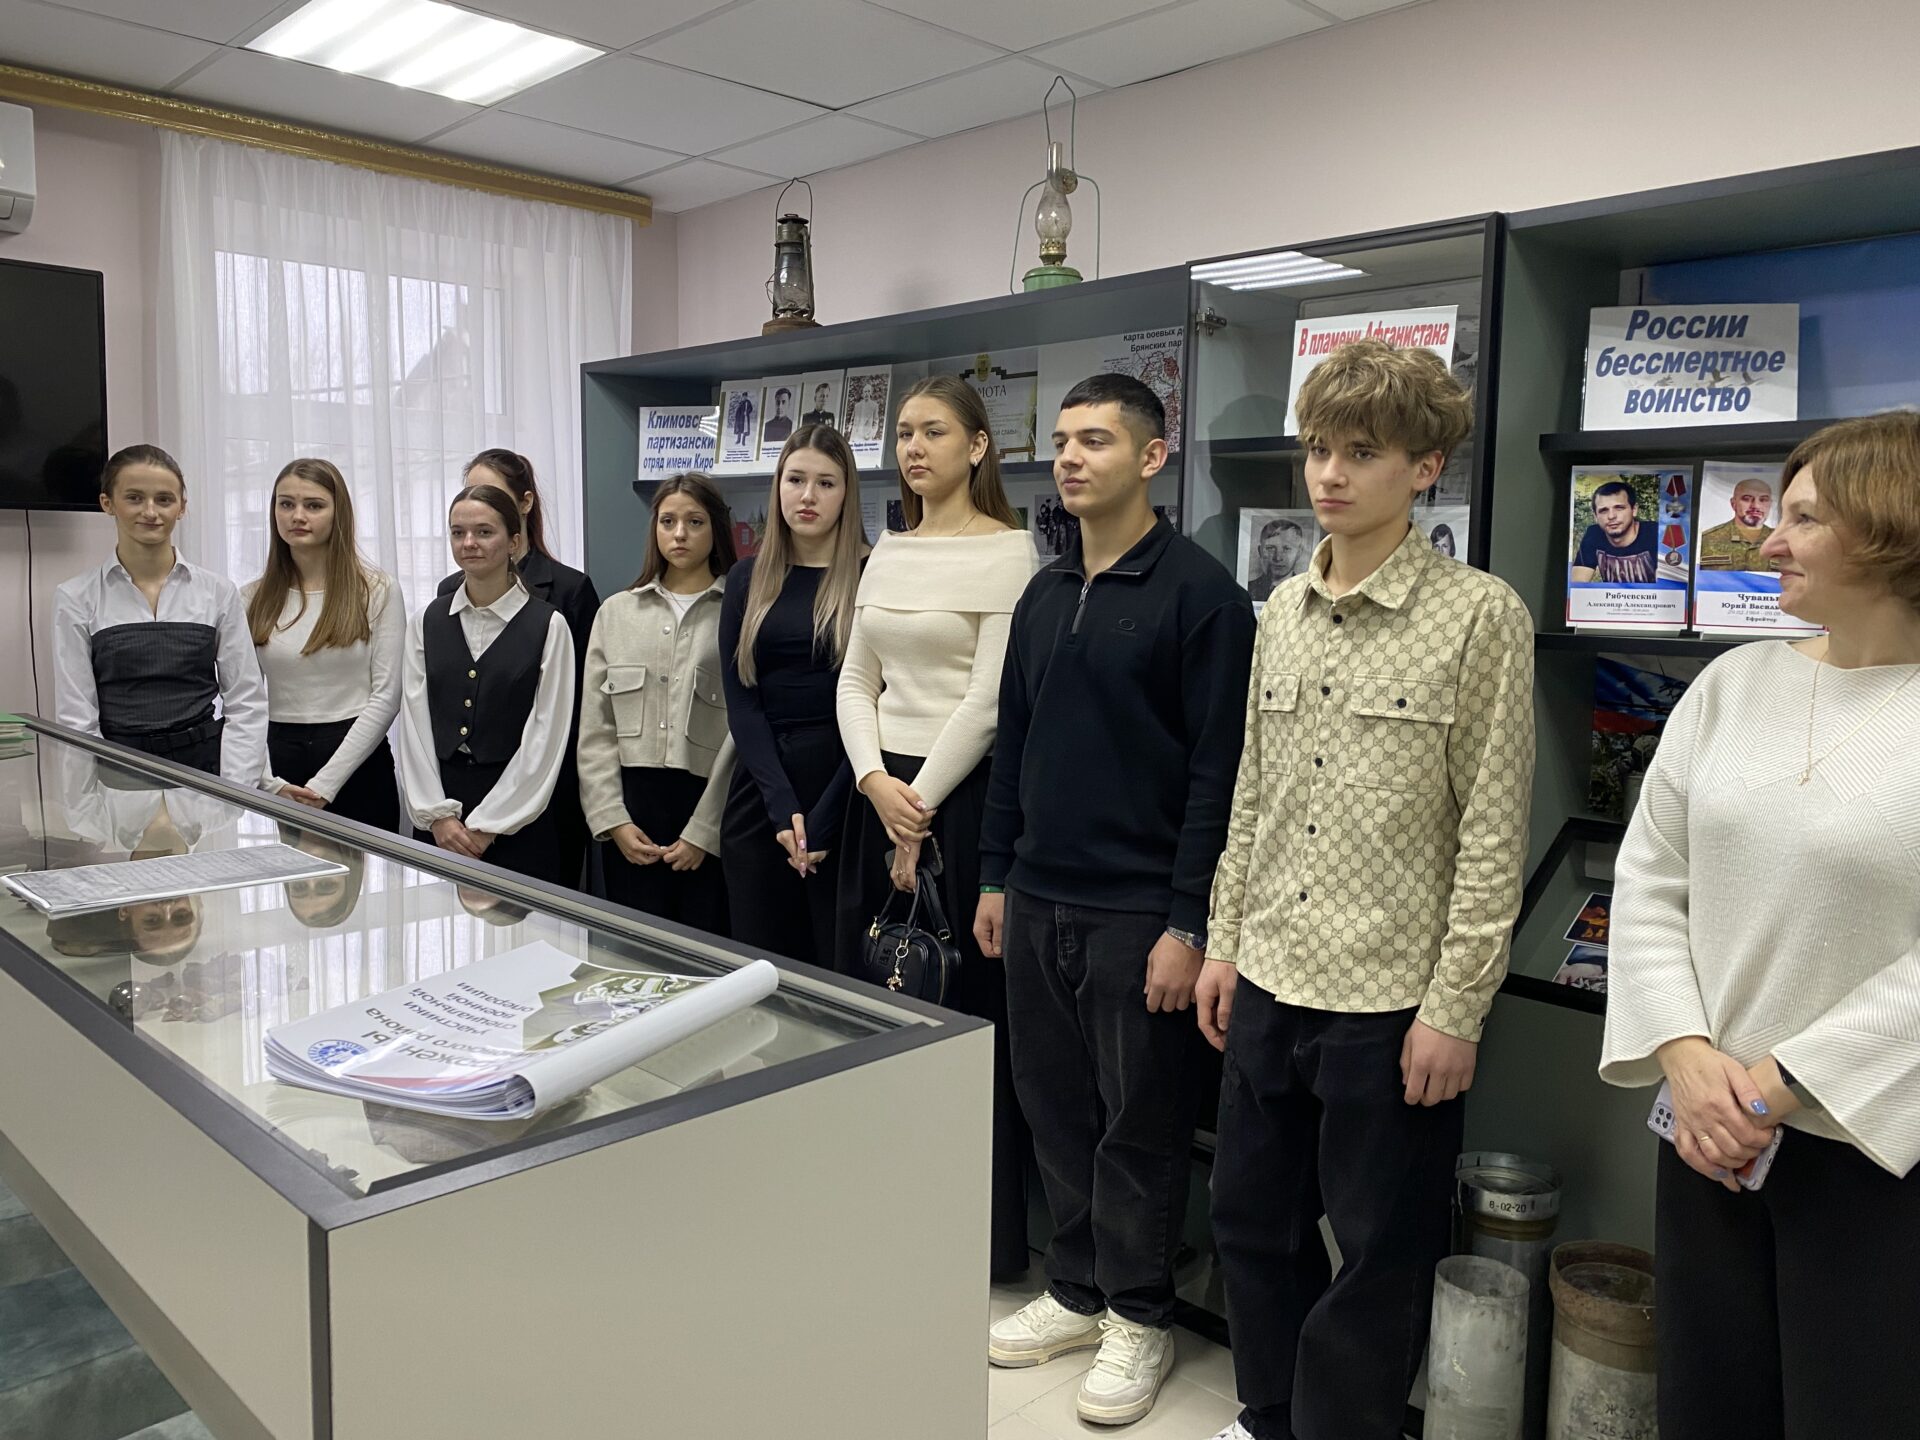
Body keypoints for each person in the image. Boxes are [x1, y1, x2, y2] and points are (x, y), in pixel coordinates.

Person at [1199, 339, 1535, 1440]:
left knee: (1379, 1250)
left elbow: (1493, 828)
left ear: (1425, 467)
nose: (1330, 475)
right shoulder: (1281, 611)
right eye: (1317, 450)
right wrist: (1222, 943)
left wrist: (1457, 1009)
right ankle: (1271, 1415)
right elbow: (1252, 793)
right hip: (1269, 973)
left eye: (1362, 453)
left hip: (1390, 999)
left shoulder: (1479, 615)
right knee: (1250, 1222)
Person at [1599, 413, 1920, 1440]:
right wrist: (1686, 1058)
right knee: (1708, 1400)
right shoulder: (1731, 687)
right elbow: (1651, 878)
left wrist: (1779, 1084)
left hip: (1876, 1151)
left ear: (1892, 529)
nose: (1769, 542)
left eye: (1805, 519)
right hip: (1707, 1137)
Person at [978, 375, 1255, 1425]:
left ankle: (1141, 1315)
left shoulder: (1200, 596)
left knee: (1139, 1122)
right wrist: (996, 874)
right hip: (1037, 894)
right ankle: (1077, 1289)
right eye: (1061, 440)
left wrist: (1189, 922)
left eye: (1095, 440)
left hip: (1141, 912)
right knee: (1054, 1106)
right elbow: (1013, 743)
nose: (1070, 457)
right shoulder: (1045, 593)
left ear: (1150, 457)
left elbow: (1219, 777)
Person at [835, 372, 1039, 1278]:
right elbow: (856, 680)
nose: (914, 448)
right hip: (876, 798)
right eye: (905, 433)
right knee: (875, 1007)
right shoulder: (890, 548)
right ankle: (885, 1211)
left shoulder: (1010, 553)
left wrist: (915, 810)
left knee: (959, 1018)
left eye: (935, 432)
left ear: (978, 446)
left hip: (959, 803)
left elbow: (989, 702)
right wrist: (874, 781)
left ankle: (973, 1242)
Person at [719, 426, 865, 967]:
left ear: (846, 493)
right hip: (762, 791)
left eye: (826, 483)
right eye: (795, 480)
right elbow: (742, 701)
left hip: (845, 786)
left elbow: (878, 703)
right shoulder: (746, 578)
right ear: (777, 485)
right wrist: (782, 808)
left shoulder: (872, 575)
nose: (808, 496)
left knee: (838, 967)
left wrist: (825, 815)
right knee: (759, 970)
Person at [577, 473, 736, 934]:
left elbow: (741, 732)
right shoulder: (616, 613)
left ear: (715, 527)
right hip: (632, 812)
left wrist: (705, 830)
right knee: (634, 952)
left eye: (695, 522)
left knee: (706, 953)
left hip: (708, 810)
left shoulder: (739, 612)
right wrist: (612, 820)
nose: (679, 534)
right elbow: (596, 729)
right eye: (668, 522)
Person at [53, 444, 267, 784]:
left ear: (182, 507)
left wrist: (234, 791)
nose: (150, 512)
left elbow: (246, 702)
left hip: (205, 774)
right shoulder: (75, 597)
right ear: (107, 503)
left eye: (164, 499)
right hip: (118, 775)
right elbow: (77, 720)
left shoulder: (217, 592)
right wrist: (85, 802)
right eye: (134, 498)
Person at [437, 450, 599, 886]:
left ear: (523, 504)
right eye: (469, 493)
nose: (477, 504)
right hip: (461, 790)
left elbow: (576, 708)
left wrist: (516, 800)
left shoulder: (568, 590)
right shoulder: (447, 595)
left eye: (490, 494)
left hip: (545, 788)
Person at [400, 483, 575, 883]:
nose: (469, 543)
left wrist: (489, 826)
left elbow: (546, 736)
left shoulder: (549, 626)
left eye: (484, 532)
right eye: (458, 532)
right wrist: (438, 817)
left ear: (514, 541)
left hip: (519, 816)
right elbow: (414, 725)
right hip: (440, 813)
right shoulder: (425, 621)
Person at [245, 458, 404, 831]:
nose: (297, 516)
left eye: (313, 505)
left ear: (338, 514)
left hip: (358, 760)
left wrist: (326, 784)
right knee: (293, 871)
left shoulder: (377, 590)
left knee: (370, 871)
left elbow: (387, 696)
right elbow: (243, 701)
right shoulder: (250, 598)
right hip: (281, 763)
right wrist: (269, 781)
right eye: (286, 504)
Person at [1571, 479, 1659, 583]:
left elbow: (1666, 587)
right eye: (1603, 510)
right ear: (1595, 516)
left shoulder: (1655, 534)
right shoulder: (1594, 534)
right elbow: (1577, 584)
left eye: (1619, 508)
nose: (1611, 516)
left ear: (1634, 510)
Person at [1696, 474, 1777, 570]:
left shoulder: (1783, 540)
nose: (1756, 506)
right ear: (1733, 503)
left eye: (1763, 500)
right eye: (1747, 499)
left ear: (1770, 504)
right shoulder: (1707, 540)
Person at [1246, 517, 1309, 602]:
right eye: (1270, 548)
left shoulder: (1307, 591)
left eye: (1286, 549)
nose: (1278, 558)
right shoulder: (1248, 589)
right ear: (1260, 551)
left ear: (1299, 553)